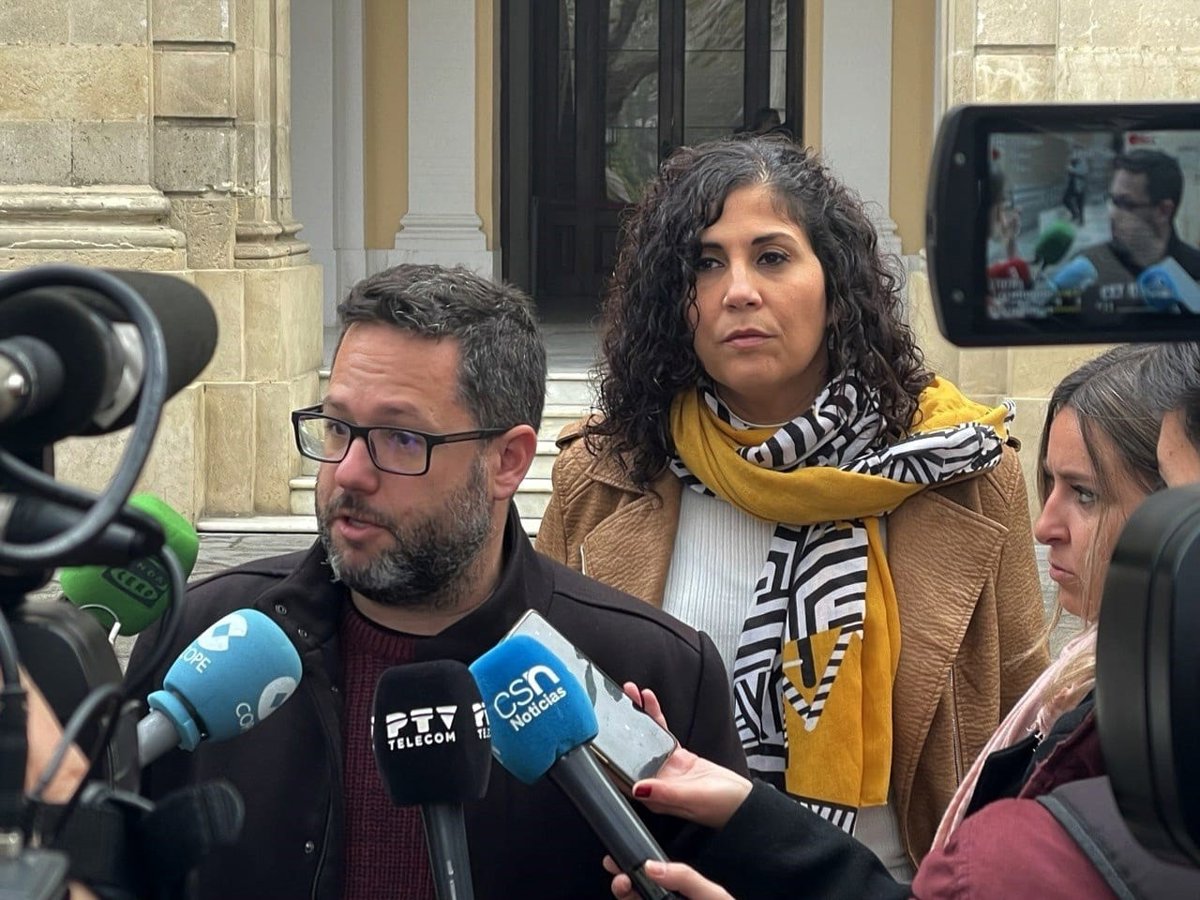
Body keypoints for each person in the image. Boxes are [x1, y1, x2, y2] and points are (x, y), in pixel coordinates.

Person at [125, 264, 747, 900]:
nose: (349, 472)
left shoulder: (652, 670)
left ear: (508, 461)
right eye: (337, 427)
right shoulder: (203, 644)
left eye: (401, 438)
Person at [537, 134, 1050, 871]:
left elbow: (1024, 735)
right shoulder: (602, 475)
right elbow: (554, 728)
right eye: (705, 263)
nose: (738, 290)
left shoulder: (963, 473)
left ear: (835, 284)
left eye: (772, 257)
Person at [602, 343, 1200, 900]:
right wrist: (747, 809)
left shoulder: (1139, 738)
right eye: (1050, 484)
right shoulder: (1102, 686)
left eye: (1086, 494)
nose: (1045, 526)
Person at [1073, 149, 1200, 310]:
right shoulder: (1088, 267)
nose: (1112, 215)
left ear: (1163, 211)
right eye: (1112, 201)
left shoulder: (1195, 269)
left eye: (1125, 204)